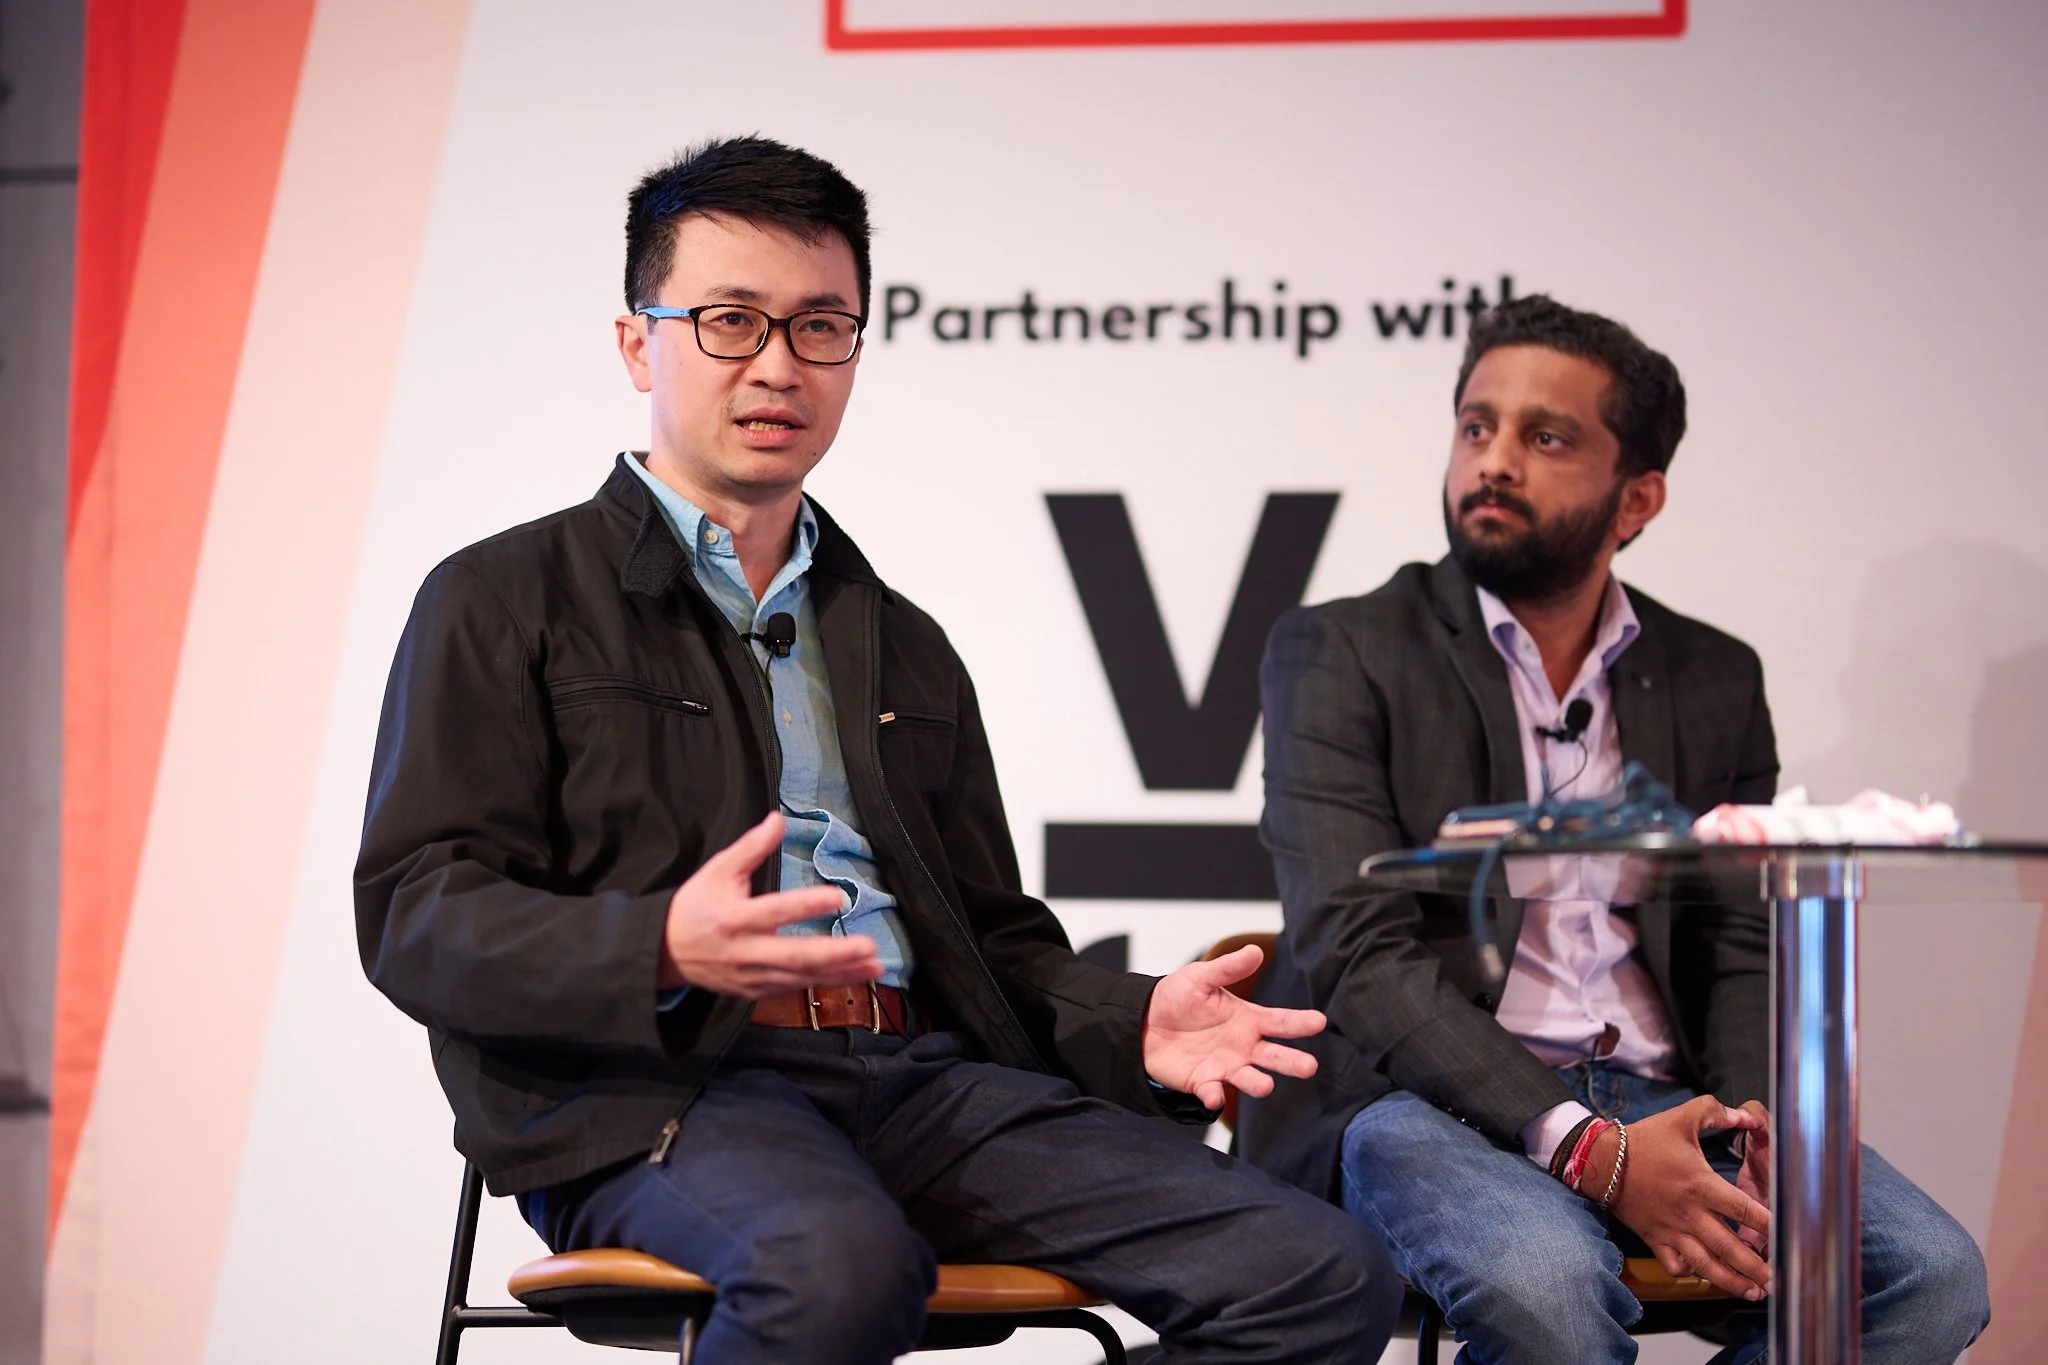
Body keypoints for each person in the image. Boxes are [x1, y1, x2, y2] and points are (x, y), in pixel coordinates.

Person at [354, 135, 1399, 1364]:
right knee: (840, 1274)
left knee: (1317, 1273)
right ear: (639, 341)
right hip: (660, 1091)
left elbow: (990, 945)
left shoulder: (898, 640)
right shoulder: (502, 595)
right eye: (730, 321)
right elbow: (417, 911)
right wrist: (656, 947)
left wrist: (1136, 1026)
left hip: (913, 1078)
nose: (777, 366)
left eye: (820, 326)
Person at [1236, 295, 1989, 1364]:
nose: (1492, 461)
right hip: (1423, 1093)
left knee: (1929, 1275)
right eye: (1475, 426)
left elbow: (1735, 936)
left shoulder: (1713, 676)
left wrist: (1744, 1119)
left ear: (1635, 498)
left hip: (1669, 1090)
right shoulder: (1337, 650)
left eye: (1545, 438)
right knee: (1542, 1283)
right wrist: (1591, 1151)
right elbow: (1354, 950)